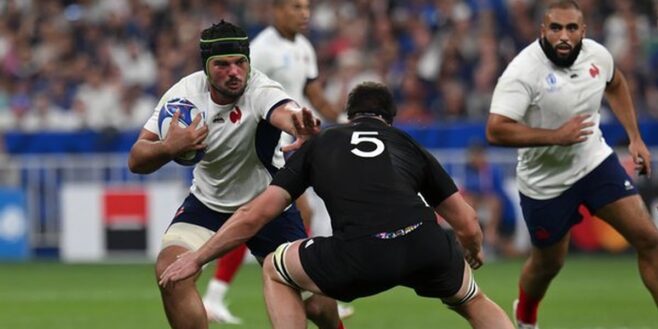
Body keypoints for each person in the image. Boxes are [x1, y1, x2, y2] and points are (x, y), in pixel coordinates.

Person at [159, 81, 515, 329]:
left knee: (274, 266)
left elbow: (256, 214)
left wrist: (198, 257)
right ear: (390, 119)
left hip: (362, 254)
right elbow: (467, 221)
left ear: (348, 115)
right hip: (423, 243)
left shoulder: (320, 143)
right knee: (473, 301)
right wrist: (473, 250)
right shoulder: (406, 143)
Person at [128, 20, 345, 329]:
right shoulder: (183, 97)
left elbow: (284, 111)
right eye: (222, 64)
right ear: (206, 67)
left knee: (322, 305)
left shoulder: (261, 88)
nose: (234, 71)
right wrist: (168, 147)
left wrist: (299, 124)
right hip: (207, 205)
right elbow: (137, 158)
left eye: (240, 62)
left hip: (268, 208)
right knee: (171, 274)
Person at [485, 1, 658, 328]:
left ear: (583, 31)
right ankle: (526, 313)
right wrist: (555, 136)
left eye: (571, 28)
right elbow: (496, 129)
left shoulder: (597, 55)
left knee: (649, 238)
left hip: (594, 163)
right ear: (543, 30)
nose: (563, 36)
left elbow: (617, 83)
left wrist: (634, 137)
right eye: (555, 28)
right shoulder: (523, 72)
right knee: (548, 264)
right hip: (545, 183)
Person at [200, 0, 353, 322]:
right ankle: (312, 286)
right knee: (269, 216)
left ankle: (220, 294)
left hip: (296, 142)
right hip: (270, 147)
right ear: (278, 10)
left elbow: (314, 95)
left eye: (307, 7)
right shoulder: (261, 50)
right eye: (296, 7)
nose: (305, 13)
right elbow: (244, 94)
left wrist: (344, 120)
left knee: (267, 217)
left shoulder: (304, 48)